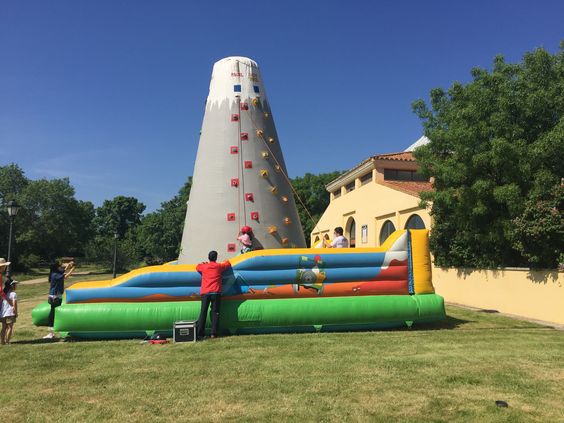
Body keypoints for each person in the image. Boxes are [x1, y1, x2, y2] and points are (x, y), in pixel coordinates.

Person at [195, 251, 231, 340]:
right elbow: (228, 264)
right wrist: (226, 260)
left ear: (208, 257)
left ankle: (200, 333)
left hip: (205, 292)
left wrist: (203, 263)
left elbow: (197, 267)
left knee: (203, 312)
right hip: (216, 292)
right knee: (216, 313)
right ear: (216, 258)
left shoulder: (204, 267)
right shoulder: (219, 266)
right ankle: (213, 333)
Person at [43, 260, 75, 339]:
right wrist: (72, 269)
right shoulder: (55, 275)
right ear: (57, 267)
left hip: (57, 296)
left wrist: (69, 266)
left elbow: (63, 271)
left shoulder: (56, 273)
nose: (61, 266)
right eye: (60, 265)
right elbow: (65, 276)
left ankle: (52, 332)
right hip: (54, 297)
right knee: (53, 313)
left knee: (55, 313)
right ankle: (51, 332)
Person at [1, 279, 18, 345]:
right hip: (10, 313)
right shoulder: (13, 294)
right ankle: (7, 341)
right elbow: (14, 304)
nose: (15, 286)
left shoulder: (4, 294)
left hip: (3, 313)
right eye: (14, 284)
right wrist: (16, 313)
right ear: (11, 286)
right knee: (10, 327)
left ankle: (2, 342)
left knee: (3, 327)